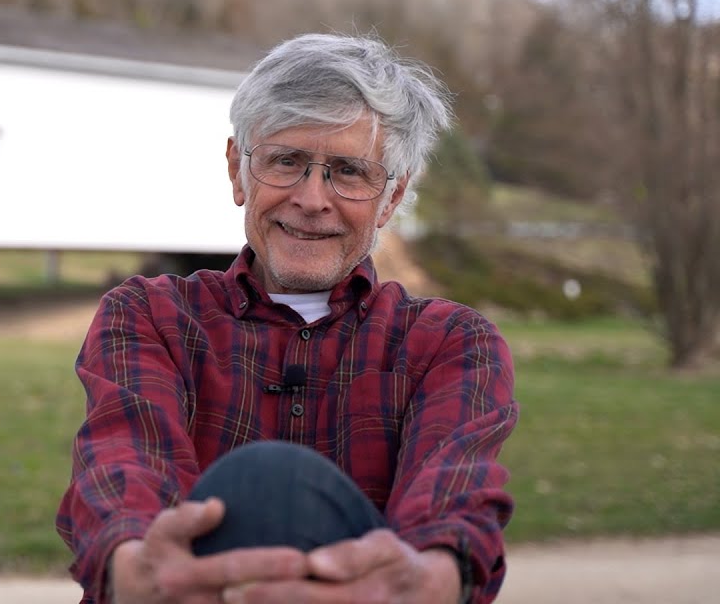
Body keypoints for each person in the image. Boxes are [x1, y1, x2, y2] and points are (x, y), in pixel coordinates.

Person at [56, 33, 518, 604]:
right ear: (237, 170)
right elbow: (122, 465)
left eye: (348, 171)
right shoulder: (149, 315)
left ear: (392, 197)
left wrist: (428, 581)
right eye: (286, 161)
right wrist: (136, 566)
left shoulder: (449, 343)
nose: (312, 198)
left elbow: (453, 497)